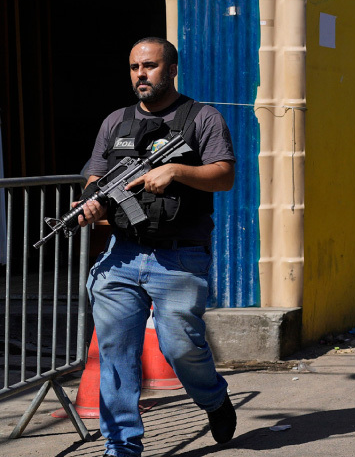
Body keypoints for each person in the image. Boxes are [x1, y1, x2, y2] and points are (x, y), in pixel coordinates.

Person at [76, 38, 237, 456]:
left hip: (180, 255)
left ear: (172, 69)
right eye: (133, 67)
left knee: (180, 346)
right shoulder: (116, 121)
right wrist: (93, 203)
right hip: (122, 253)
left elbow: (224, 176)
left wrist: (177, 171)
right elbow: (95, 175)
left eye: (149, 66)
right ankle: (122, 445)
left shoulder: (202, 118)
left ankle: (213, 398)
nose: (140, 74)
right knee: (115, 351)